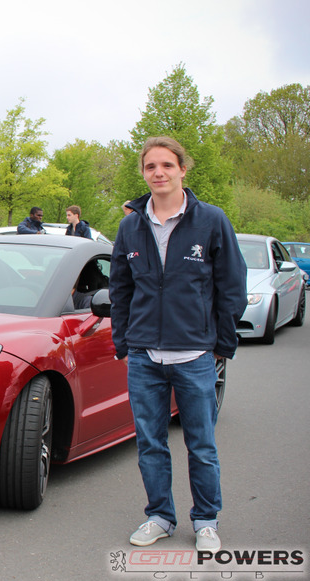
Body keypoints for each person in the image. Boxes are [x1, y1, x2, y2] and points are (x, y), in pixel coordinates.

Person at [109, 137, 247, 554]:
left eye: (167, 165)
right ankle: (160, 517)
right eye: (151, 166)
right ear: (144, 172)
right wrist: (123, 341)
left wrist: (222, 343)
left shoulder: (211, 220)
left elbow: (232, 286)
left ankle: (206, 520)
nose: (159, 173)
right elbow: (120, 287)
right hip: (145, 357)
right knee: (150, 443)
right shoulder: (130, 225)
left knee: (201, 445)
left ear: (183, 169)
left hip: (195, 356)